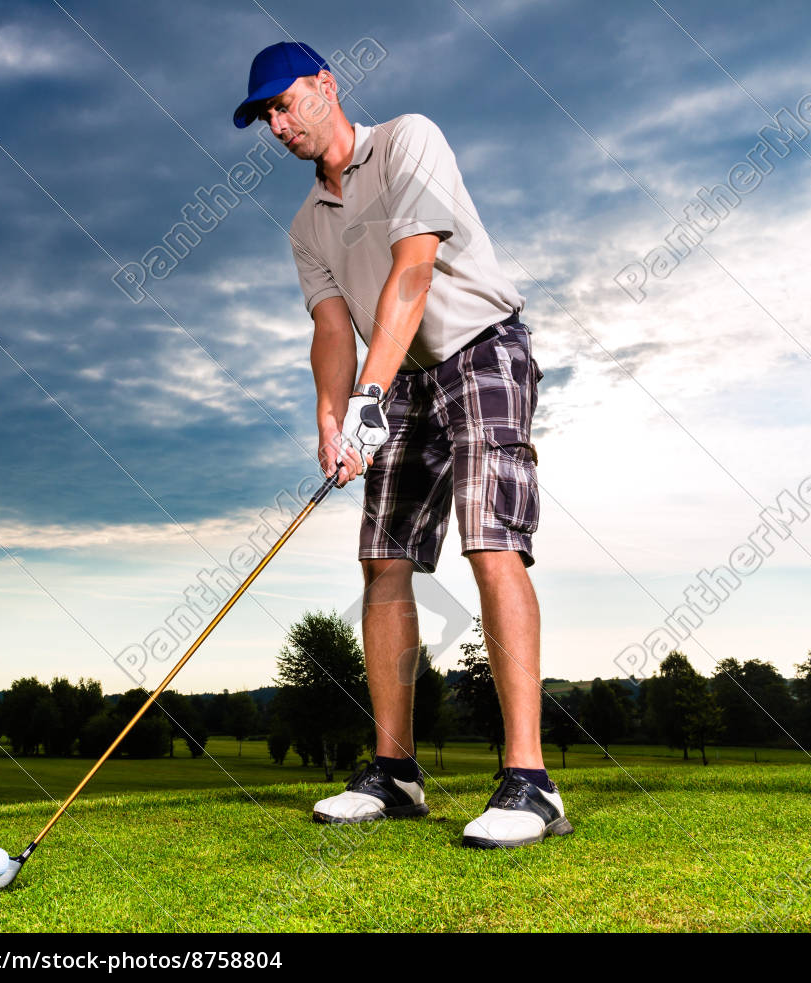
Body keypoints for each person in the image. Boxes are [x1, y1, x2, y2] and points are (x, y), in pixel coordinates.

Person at [232, 43, 569, 848]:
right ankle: (397, 772)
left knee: (491, 543)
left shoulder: (410, 138)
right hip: (402, 376)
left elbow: (413, 274)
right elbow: (329, 325)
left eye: (286, 103)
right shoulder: (306, 225)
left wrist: (367, 399)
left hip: (482, 347)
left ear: (327, 85)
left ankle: (530, 780)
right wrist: (329, 414)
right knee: (382, 560)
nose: (279, 125)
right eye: (266, 117)